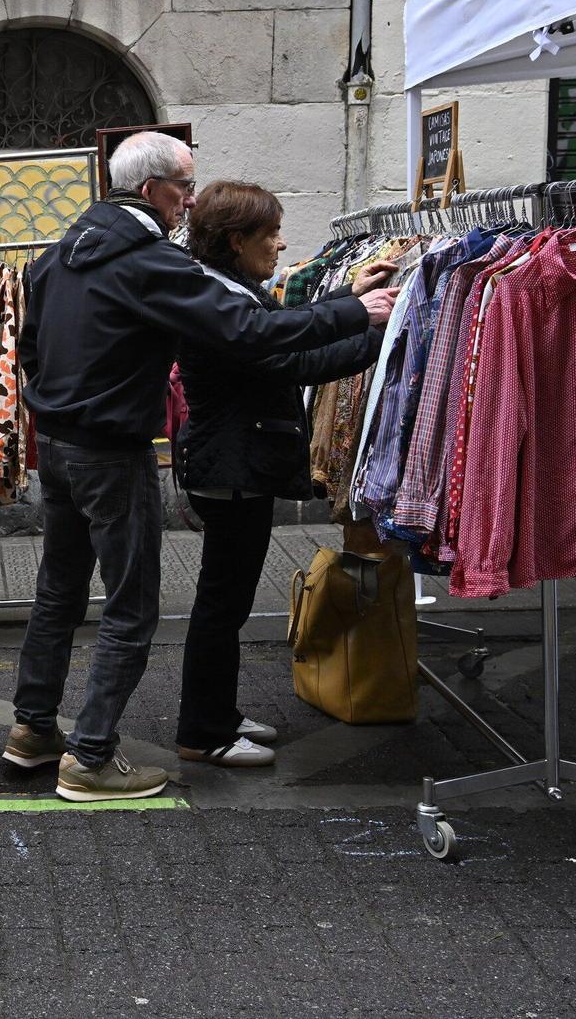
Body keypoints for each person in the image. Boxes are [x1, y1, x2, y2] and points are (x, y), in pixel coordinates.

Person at [8, 131, 397, 801]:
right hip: (112, 450)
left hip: (61, 446)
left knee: (60, 593)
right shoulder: (148, 259)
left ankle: (32, 730)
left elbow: (29, 349)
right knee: (131, 607)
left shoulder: (60, 252)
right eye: (184, 187)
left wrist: (59, 406)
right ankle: (90, 757)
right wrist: (352, 311)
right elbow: (249, 332)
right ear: (151, 189)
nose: (190, 200)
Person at [174, 182, 390, 766]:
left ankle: (216, 713)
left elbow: (283, 327)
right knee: (222, 603)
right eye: (271, 234)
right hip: (230, 470)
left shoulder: (226, 287)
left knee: (228, 601)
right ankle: (203, 732)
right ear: (237, 240)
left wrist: (349, 294)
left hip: (233, 464)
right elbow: (294, 359)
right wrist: (378, 335)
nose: (281, 244)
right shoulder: (219, 298)